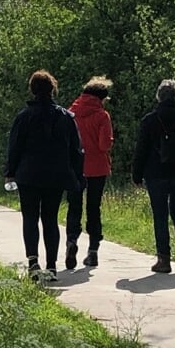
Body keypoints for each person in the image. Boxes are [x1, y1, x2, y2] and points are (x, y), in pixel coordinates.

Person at [4, 70, 85, 281]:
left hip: (28, 175)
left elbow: (15, 147)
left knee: (30, 218)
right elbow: (76, 150)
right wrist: (77, 177)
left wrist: (10, 173)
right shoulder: (66, 117)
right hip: (56, 176)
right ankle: (51, 267)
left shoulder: (24, 117)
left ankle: (33, 263)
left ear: (32, 90)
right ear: (53, 89)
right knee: (50, 219)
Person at [131, 79, 175, 273]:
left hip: (156, 174)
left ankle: (164, 259)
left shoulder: (150, 120)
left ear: (158, 97)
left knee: (160, 215)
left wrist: (136, 175)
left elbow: (141, 150)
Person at [65, 77, 114, 269]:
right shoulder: (102, 116)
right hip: (97, 168)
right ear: (101, 98)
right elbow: (104, 144)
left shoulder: (70, 114)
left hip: (74, 168)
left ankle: (71, 242)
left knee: (74, 207)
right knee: (94, 208)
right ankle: (93, 251)